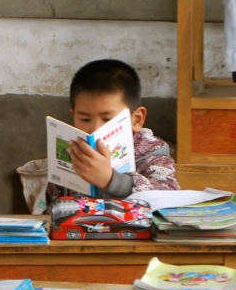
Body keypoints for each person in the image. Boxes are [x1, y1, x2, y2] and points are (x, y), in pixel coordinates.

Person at [45, 59, 179, 204]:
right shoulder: (73, 151)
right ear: (73, 116)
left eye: (107, 119)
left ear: (136, 119)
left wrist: (111, 180)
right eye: (84, 119)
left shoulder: (152, 154)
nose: (95, 129)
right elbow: (51, 207)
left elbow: (170, 196)